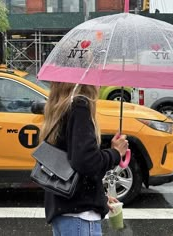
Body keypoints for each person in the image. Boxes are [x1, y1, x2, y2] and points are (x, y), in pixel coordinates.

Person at [40, 82, 128, 236]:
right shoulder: (80, 106)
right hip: (80, 219)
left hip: (63, 211)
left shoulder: (60, 107)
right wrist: (115, 153)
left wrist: (100, 197)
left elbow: (71, 165)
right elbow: (86, 162)